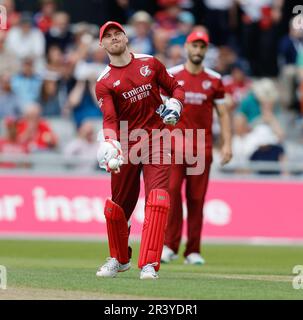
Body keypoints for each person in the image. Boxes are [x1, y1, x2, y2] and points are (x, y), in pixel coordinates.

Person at [95, 21, 184, 279]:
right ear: (102, 44)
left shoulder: (150, 63)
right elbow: (110, 119)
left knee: (157, 200)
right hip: (125, 146)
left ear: (125, 36)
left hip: (157, 139)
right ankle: (119, 259)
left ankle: (148, 264)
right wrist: (110, 142)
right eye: (108, 36)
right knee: (117, 209)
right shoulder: (104, 81)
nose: (114, 38)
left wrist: (176, 104)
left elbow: (175, 87)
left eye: (117, 33)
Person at [160, 30, 232, 265]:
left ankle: (193, 250)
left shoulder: (214, 79)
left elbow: (223, 113)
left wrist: (228, 144)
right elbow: (159, 108)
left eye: (202, 47)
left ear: (206, 50)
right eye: (195, 46)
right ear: (187, 48)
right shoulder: (171, 75)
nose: (198, 51)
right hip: (174, 147)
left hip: (202, 149)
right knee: (171, 194)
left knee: (196, 199)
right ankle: (170, 245)